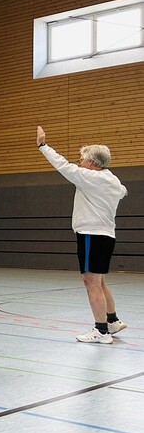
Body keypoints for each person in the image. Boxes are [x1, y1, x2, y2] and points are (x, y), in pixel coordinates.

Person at [36, 126, 128, 344]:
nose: (80, 162)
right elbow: (123, 191)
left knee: (91, 282)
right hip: (106, 236)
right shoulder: (113, 180)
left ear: (93, 163)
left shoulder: (90, 178)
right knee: (100, 280)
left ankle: (101, 331)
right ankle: (112, 320)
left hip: (90, 235)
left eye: (83, 159)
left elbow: (62, 165)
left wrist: (43, 146)